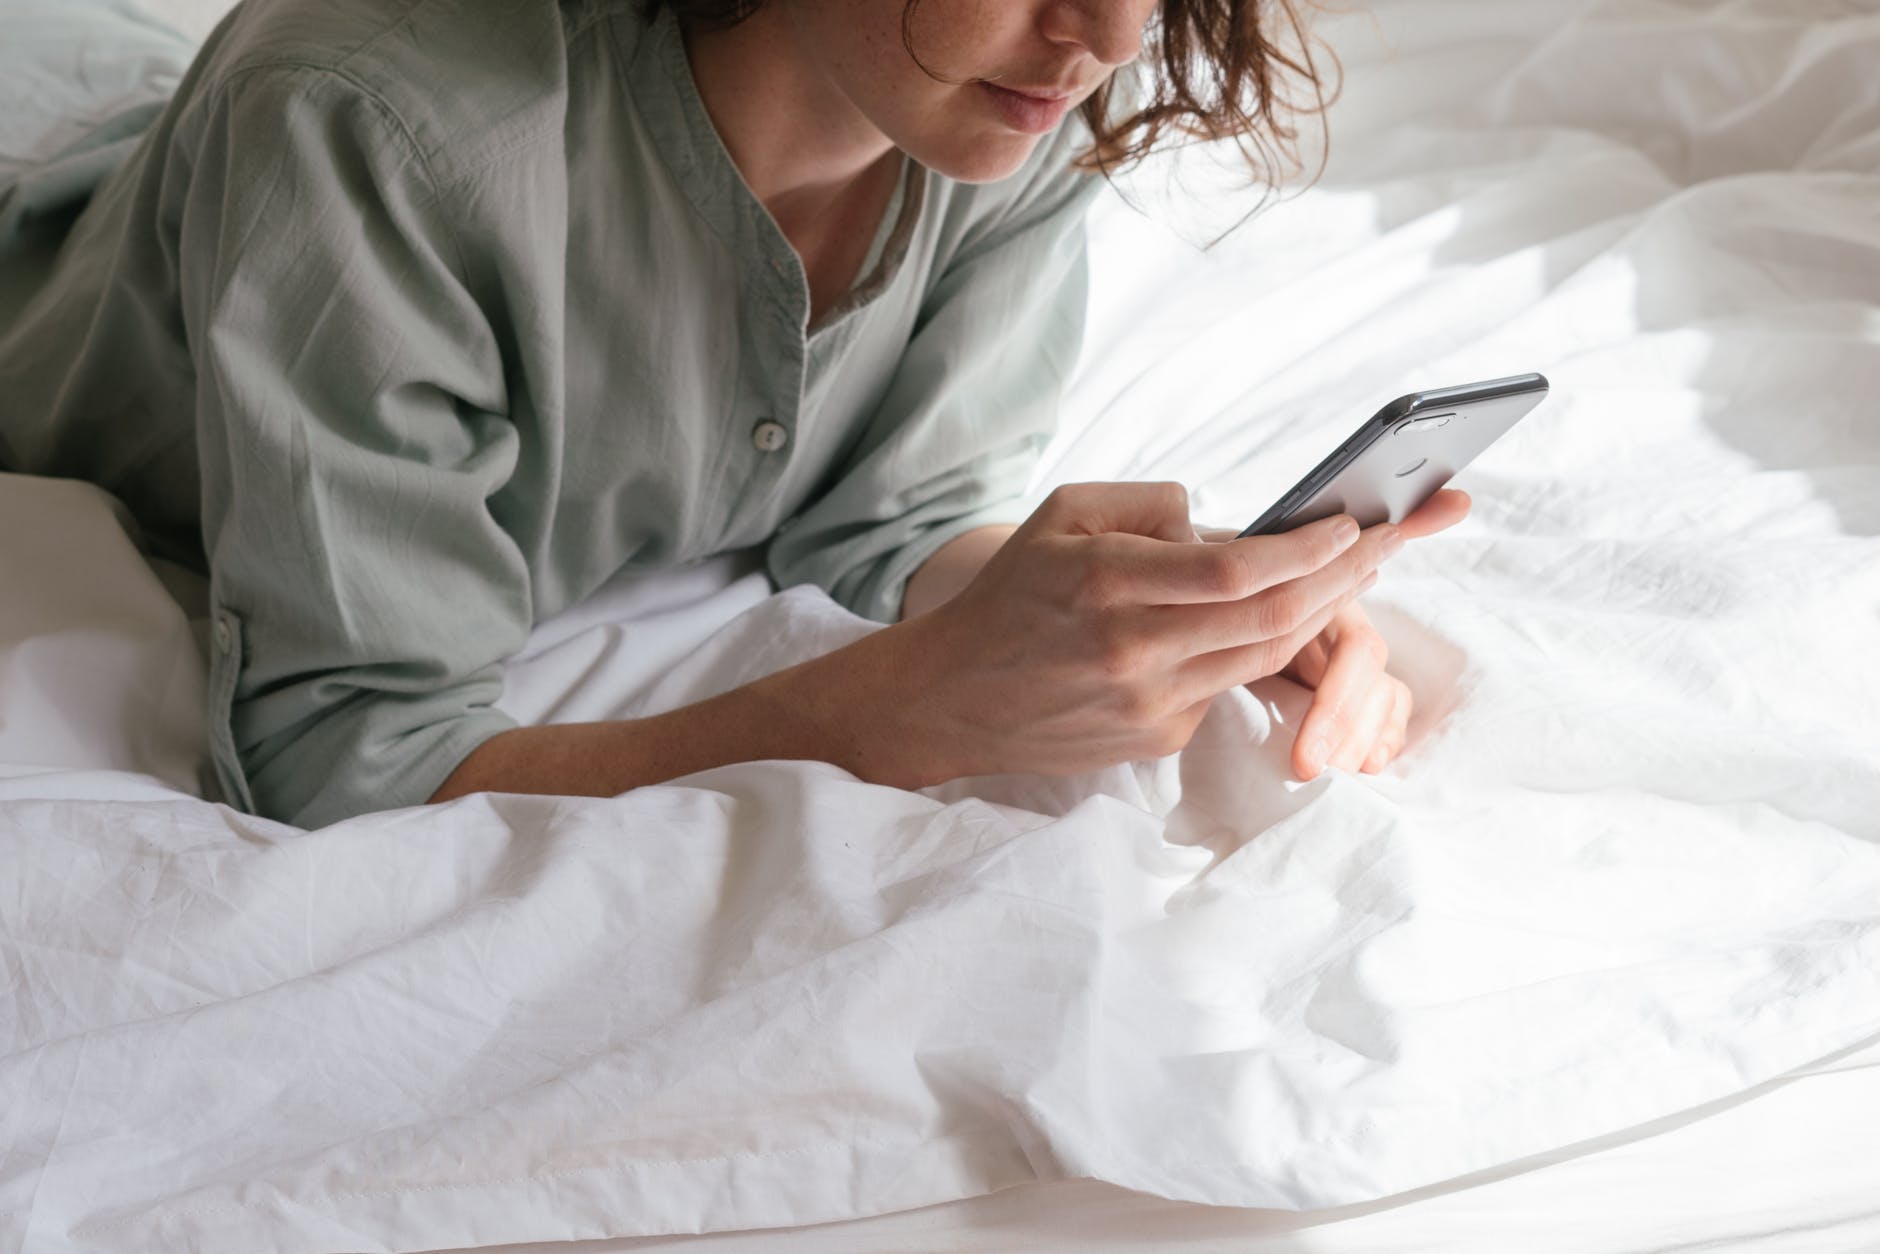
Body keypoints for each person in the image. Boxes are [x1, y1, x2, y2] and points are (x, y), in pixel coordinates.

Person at [0, 0, 1467, 829]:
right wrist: (896, 711)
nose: (1111, 32)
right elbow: (349, 754)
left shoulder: (1007, 102)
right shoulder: (375, 128)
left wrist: (1182, 608)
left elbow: (896, 515)